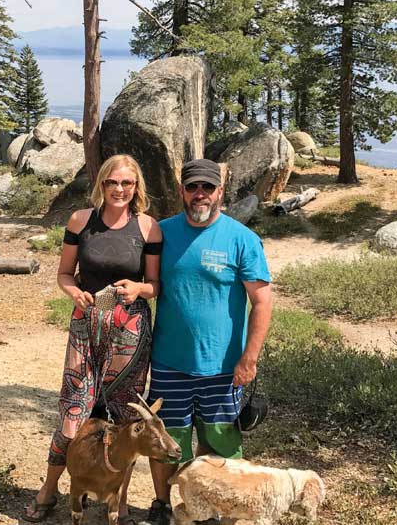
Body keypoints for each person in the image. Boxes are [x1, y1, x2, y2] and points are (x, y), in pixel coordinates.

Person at [23, 154, 163, 524]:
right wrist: (73, 294)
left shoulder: (149, 228)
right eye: (111, 182)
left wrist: (139, 288)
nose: (119, 190)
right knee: (73, 415)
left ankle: (118, 501)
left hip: (129, 333)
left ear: (137, 188)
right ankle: (50, 490)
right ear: (101, 184)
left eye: (127, 184)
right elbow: (65, 275)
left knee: (122, 420)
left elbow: (155, 284)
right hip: (86, 328)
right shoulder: (80, 221)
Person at [140, 158, 273, 525]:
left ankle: (216, 509)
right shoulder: (161, 233)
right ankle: (164, 505)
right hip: (168, 362)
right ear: (182, 190)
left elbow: (261, 301)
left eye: (207, 188)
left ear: (220, 192)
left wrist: (249, 358)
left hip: (223, 368)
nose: (200, 195)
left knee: (221, 444)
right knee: (167, 443)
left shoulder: (241, 239)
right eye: (192, 187)